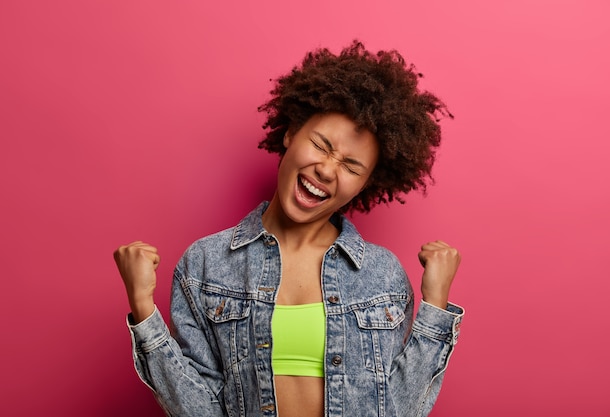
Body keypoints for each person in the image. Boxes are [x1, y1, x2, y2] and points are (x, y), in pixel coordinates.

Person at [114, 40, 464, 417]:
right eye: (321, 145)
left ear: (365, 184)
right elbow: (199, 410)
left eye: (351, 166)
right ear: (291, 132)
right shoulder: (205, 264)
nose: (327, 170)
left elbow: (399, 410)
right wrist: (143, 310)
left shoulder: (381, 275)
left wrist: (436, 307)